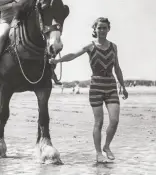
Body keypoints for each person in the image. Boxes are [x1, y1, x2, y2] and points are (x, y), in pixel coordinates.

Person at [49, 17, 129, 163]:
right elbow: (73, 55)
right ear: (95, 29)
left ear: (108, 29)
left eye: (104, 28)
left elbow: (117, 68)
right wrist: (57, 61)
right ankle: (98, 153)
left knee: (115, 120)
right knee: (99, 122)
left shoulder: (114, 47)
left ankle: (107, 146)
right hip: (96, 87)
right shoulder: (91, 46)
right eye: (99, 28)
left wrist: (122, 86)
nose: (102, 30)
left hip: (111, 86)